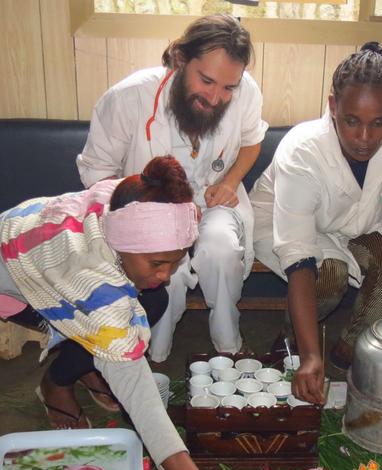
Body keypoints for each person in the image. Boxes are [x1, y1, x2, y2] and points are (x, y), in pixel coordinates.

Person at [0, 155, 252, 470]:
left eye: (174, 262)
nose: (166, 272)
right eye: (158, 263)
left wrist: (150, 275)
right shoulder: (90, 279)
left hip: (28, 229)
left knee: (154, 299)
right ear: (122, 245)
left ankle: (91, 361)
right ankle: (56, 385)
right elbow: (139, 392)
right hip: (6, 271)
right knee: (118, 332)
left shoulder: (126, 200)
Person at [77, 14, 268, 362]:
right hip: (147, 205)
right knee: (171, 272)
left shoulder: (245, 91)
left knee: (220, 249)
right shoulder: (127, 98)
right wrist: (150, 209)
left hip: (214, 196)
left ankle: (230, 345)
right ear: (180, 59)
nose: (216, 97)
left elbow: (252, 141)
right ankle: (154, 354)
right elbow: (96, 174)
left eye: (228, 87)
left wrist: (230, 180)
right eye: (206, 80)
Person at [250, 42, 382, 404]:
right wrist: (309, 356)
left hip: (356, 222)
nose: (365, 138)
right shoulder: (302, 151)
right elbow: (299, 259)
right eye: (351, 121)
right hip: (288, 224)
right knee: (327, 277)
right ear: (333, 106)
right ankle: (294, 344)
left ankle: (346, 352)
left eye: (379, 122)